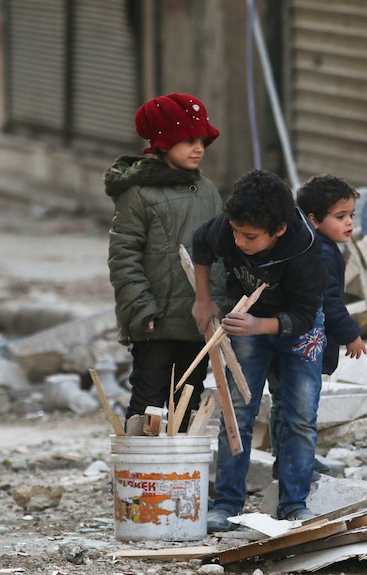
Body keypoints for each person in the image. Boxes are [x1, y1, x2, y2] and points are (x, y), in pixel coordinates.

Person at [191, 169, 325, 531]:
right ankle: (228, 503)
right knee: (237, 411)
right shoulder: (229, 230)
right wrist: (203, 300)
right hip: (247, 319)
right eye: (235, 231)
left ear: (278, 230)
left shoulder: (307, 248)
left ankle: (294, 504)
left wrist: (260, 326)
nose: (238, 242)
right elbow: (200, 245)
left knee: (299, 415)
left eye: (249, 237)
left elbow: (304, 314)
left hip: (298, 327)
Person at [105, 93, 226, 432]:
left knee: (188, 402)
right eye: (188, 140)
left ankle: (177, 479)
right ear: (163, 142)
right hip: (154, 323)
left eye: (202, 140)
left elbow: (219, 254)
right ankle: (140, 479)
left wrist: (223, 304)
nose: (198, 148)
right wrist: (142, 309)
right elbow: (123, 257)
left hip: (198, 320)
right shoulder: (138, 193)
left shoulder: (207, 191)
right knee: (148, 404)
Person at [267, 174, 367, 479]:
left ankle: (292, 458)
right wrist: (350, 334)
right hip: (304, 344)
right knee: (300, 407)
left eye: (351, 215)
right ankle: (298, 462)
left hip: (288, 340)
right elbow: (328, 302)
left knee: (286, 403)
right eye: (340, 217)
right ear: (313, 220)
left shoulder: (315, 247)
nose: (349, 223)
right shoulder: (322, 254)